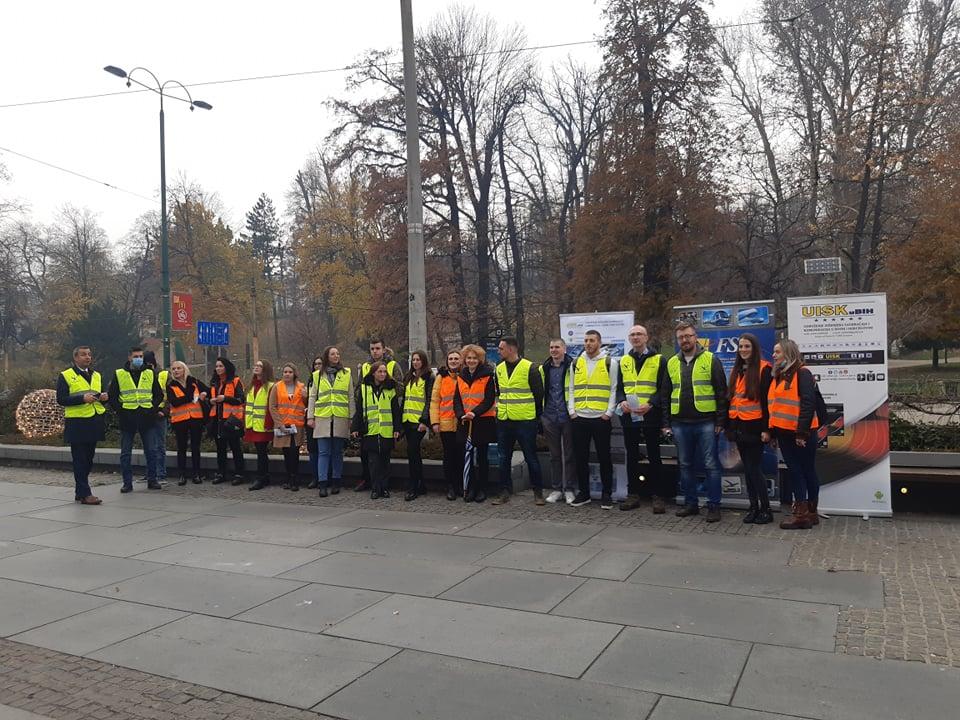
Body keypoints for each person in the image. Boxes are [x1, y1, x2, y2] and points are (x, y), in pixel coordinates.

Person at [662, 322, 729, 522]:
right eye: (681, 337)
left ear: (696, 336)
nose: (685, 340)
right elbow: (666, 394)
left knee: (711, 465)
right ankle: (691, 504)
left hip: (706, 422)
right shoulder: (672, 362)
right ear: (677, 340)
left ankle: (714, 505)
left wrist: (720, 421)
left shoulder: (710, 359)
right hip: (680, 423)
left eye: (688, 336)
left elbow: (721, 392)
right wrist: (666, 423)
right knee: (685, 464)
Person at [767, 338, 822, 530]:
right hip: (784, 432)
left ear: (788, 353)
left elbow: (808, 404)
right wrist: (773, 433)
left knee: (801, 471)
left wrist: (802, 433)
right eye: (774, 352)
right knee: (801, 470)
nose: (773, 355)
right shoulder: (780, 375)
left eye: (777, 352)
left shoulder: (802, 373)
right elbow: (775, 407)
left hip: (800, 434)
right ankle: (809, 513)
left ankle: (802, 514)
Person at [616, 325, 669, 514]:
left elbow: (664, 388)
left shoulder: (659, 360)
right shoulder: (623, 360)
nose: (636, 337)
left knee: (654, 455)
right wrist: (621, 401)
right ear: (629, 339)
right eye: (632, 335)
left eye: (639, 334)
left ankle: (658, 496)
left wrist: (651, 404)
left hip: (650, 414)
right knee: (631, 455)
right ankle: (633, 494)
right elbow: (619, 386)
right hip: (630, 415)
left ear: (646, 337)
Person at [567, 330, 618, 509]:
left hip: (600, 418)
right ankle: (584, 493)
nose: (588, 343)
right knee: (581, 457)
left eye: (592, 340)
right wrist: (572, 411)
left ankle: (606, 494)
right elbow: (571, 388)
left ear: (599, 342)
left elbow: (613, 388)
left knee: (604, 457)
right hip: (579, 417)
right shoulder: (575, 363)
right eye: (586, 340)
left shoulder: (609, 362)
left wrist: (609, 412)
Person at [727, 333, 773, 524]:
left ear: (754, 349)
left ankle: (766, 509)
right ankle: (753, 507)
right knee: (747, 469)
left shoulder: (764, 369)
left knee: (754, 469)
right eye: (741, 347)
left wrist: (767, 429)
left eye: (747, 347)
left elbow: (768, 402)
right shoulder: (737, 370)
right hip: (738, 426)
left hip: (755, 428)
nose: (744, 350)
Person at [493, 337, 545, 506]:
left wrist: (536, 418)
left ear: (511, 349)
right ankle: (504, 491)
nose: (498, 351)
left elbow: (538, 395)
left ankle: (538, 492)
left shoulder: (530, 368)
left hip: (525, 421)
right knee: (503, 459)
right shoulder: (499, 369)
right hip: (504, 420)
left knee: (531, 457)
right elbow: (500, 392)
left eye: (501, 348)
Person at [108, 346, 163, 493]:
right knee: (126, 453)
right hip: (128, 418)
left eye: (140, 356)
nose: (138, 359)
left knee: (151, 451)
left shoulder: (150, 373)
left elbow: (159, 395)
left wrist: (152, 408)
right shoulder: (119, 374)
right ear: (129, 357)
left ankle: (152, 479)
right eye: (136, 356)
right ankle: (127, 483)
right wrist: (121, 410)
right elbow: (112, 397)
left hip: (147, 417)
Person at [56, 346, 107, 505]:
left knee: (89, 459)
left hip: (93, 420)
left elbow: (97, 393)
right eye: (83, 355)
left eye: (89, 355)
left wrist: (104, 397)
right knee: (80, 459)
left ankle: (80, 492)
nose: (87, 357)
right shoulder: (66, 375)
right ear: (75, 358)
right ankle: (86, 494)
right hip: (77, 422)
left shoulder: (96, 375)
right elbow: (61, 399)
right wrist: (82, 399)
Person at [355, 338, 404, 492]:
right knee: (368, 458)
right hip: (369, 424)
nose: (375, 351)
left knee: (384, 460)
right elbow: (359, 389)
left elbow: (401, 388)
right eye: (372, 349)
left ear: (383, 349)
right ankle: (370, 483)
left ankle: (383, 486)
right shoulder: (365, 366)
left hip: (386, 426)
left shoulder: (392, 365)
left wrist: (387, 387)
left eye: (377, 348)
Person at [308, 346, 354, 497]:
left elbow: (350, 396)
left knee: (337, 452)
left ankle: (336, 481)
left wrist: (351, 417)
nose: (336, 356)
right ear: (327, 356)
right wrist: (310, 417)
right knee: (323, 452)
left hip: (340, 417)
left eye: (338, 354)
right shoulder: (317, 375)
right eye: (333, 354)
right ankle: (322, 483)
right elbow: (312, 396)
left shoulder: (346, 373)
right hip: (323, 417)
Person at [456, 344, 497, 503]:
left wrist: (475, 413)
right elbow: (457, 399)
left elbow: (489, 399)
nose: (471, 361)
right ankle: (470, 487)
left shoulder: (488, 375)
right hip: (465, 421)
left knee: (481, 457)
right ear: (465, 360)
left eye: (474, 358)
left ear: (479, 359)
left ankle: (482, 488)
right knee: (467, 456)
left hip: (482, 421)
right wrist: (461, 414)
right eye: (469, 358)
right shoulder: (461, 375)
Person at [540, 339, 576, 504]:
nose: (554, 350)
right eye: (551, 347)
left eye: (557, 347)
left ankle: (569, 489)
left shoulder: (573, 366)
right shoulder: (544, 368)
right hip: (549, 416)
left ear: (564, 348)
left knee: (569, 454)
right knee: (554, 455)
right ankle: (556, 489)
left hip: (567, 415)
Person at [166, 360, 207, 486]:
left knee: (195, 447)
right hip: (180, 420)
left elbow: (207, 390)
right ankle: (182, 475)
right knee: (181, 448)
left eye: (179, 368)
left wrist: (204, 393)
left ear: (184, 369)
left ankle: (196, 474)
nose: (176, 371)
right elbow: (175, 402)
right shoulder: (171, 385)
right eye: (173, 369)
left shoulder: (194, 381)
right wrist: (191, 398)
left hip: (195, 418)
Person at [430, 349, 463, 501]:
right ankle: (450, 486)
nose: (454, 361)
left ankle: (461, 486)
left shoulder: (465, 376)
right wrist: (434, 422)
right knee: (449, 456)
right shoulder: (441, 378)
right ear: (447, 361)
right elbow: (435, 401)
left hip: (462, 423)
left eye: (456, 358)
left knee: (461, 456)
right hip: (445, 423)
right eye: (451, 359)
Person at [269, 362, 307, 491]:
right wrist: (279, 424)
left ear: (294, 373)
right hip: (283, 425)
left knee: (294, 452)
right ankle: (288, 478)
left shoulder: (301, 387)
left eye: (290, 372)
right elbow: (272, 406)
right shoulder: (277, 387)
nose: (287, 374)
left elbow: (307, 404)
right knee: (286, 452)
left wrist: (305, 397)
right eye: (285, 372)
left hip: (297, 425)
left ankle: (294, 479)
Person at [402, 350, 434, 501]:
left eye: (418, 360)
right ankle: (420, 484)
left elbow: (429, 400)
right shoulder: (408, 377)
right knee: (413, 454)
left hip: (418, 422)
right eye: (413, 360)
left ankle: (413, 486)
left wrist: (425, 421)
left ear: (424, 361)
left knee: (412, 451)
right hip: (407, 420)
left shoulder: (428, 377)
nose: (415, 362)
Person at [208, 356, 246, 484]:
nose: (218, 368)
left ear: (227, 367)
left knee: (235, 448)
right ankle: (221, 473)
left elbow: (241, 399)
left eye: (221, 366)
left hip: (230, 420)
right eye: (217, 366)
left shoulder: (235, 381)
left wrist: (225, 398)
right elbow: (211, 398)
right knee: (220, 449)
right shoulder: (214, 382)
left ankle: (239, 474)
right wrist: (211, 401)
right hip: (217, 420)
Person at [245, 360, 275, 491]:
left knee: (261, 452)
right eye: (255, 365)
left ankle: (261, 477)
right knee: (260, 451)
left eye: (259, 366)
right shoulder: (252, 385)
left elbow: (272, 406)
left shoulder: (271, 386)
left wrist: (269, 423)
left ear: (265, 369)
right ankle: (264, 476)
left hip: (264, 425)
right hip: (253, 424)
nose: (256, 367)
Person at [143, 351, 169, 486]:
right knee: (148, 446)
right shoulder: (141, 374)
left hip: (159, 415)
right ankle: (150, 473)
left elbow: (169, 396)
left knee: (159, 446)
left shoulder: (163, 375)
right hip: (147, 415)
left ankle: (160, 473)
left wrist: (164, 412)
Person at [305, 355, 323, 489]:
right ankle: (314, 477)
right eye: (316, 364)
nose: (318, 366)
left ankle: (323, 477)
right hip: (311, 418)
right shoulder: (311, 380)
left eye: (320, 363)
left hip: (324, 418)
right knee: (312, 449)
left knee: (323, 450)